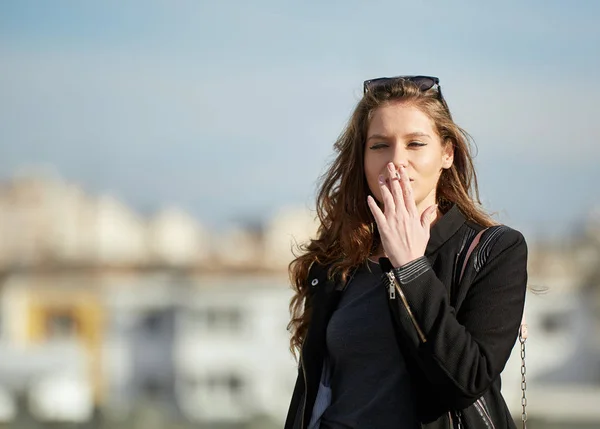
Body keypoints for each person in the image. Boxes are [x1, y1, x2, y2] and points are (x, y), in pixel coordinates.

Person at [284, 76, 528, 429]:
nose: (396, 162)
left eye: (415, 144)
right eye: (379, 145)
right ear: (362, 157)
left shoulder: (493, 250)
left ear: (447, 154)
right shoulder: (338, 258)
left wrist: (411, 267)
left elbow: (465, 382)